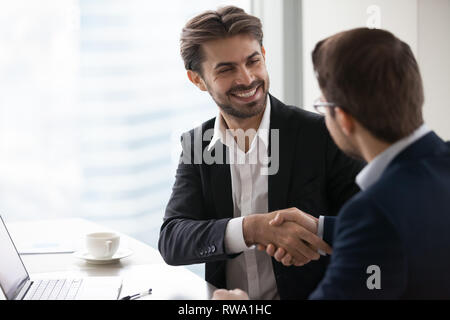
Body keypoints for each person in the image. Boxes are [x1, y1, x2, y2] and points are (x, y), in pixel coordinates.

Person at [213, 27, 450, 300]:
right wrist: (321, 228)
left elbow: (380, 227)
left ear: (344, 119)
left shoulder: (372, 212)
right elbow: (414, 225)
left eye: (323, 106)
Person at [158, 6, 363, 300]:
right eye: (226, 69)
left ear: (264, 56)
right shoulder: (197, 145)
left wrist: (316, 236)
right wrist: (251, 229)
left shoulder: (322, 134)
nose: (247, 78)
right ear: (197, 80)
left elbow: (371, 229)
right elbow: (173, 240)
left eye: (253, 61)